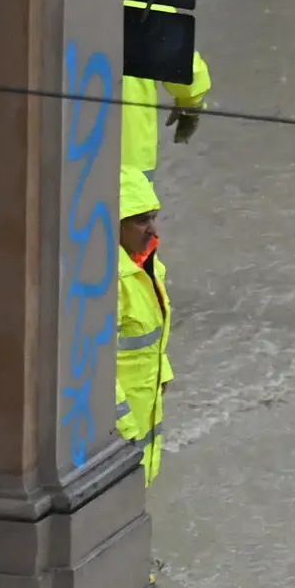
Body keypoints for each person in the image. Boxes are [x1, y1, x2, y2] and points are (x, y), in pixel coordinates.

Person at [116, 169, 172, 481]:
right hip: (122, 435)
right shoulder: (110, 280)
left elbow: (150, 336)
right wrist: (122, 432)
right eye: (140, 220)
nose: (152, 228)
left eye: (152, 216)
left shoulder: (147, 265)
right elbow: (91, 366)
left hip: (142, 415)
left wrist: (164, 371)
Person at [120, 36, 211, 203]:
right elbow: (184, 65)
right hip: (130, 153)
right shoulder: (142, 8)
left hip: (69, 148)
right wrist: (190, 106)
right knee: (133, 220)